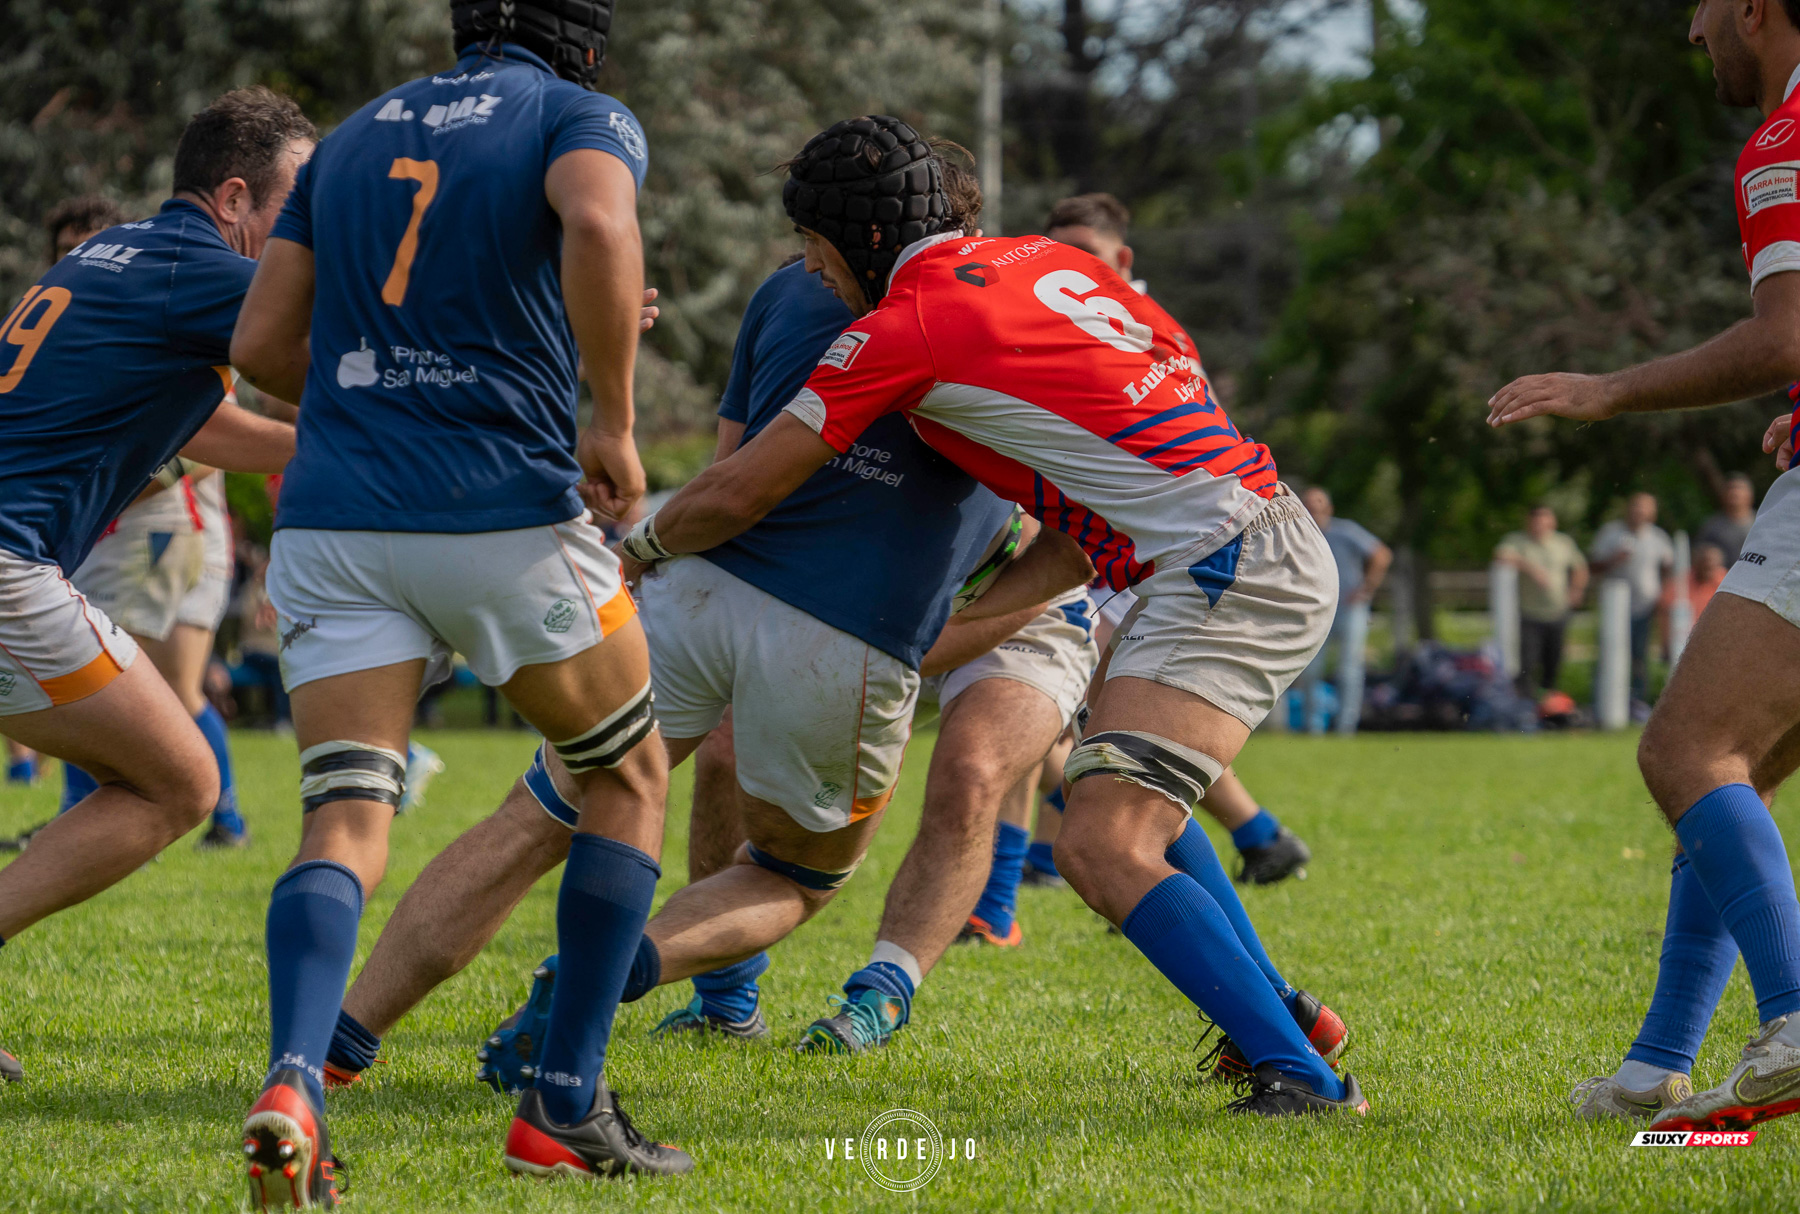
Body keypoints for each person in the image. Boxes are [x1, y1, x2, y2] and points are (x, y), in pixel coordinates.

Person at [618, 115, 1367, 1116]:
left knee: (1104, 840)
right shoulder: (1045, 263)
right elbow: (1091, 508)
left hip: (1222, 564)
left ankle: (1304, 1077)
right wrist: (959, 624)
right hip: (1230, 535)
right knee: (1133, 803)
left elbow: (738, 489)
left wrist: (626, 550)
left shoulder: (902, 329)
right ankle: (1277, 1016)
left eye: (814, 254)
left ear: (849, 247)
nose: (811, 276)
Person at [226, 2, 687, 1195]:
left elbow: (266, 345)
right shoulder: (576, 113)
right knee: (626, 772)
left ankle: (294, 1076)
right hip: (500, 513)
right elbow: (596, 215)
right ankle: (564, 1104)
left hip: (332, 518)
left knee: (344, 815)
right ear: (575, 32)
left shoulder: (350, 136)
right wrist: (614, 415)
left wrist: (396, 361)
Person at [1488, 0, 1800, 1131]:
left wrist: (1607, 387)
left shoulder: (1783, 140)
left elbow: (1783, 336)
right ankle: (1657, 1065)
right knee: (1739, 771)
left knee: (1686, 747)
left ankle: (1797, 1015)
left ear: (1758, 9)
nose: (1692, 31)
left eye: (1706, 6)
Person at [0, 86, 307, 1085]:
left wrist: (315, 444)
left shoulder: (116, 255)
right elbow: (332, 361)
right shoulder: (208, 273)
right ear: (234, 197)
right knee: (182, 780)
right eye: (297, 205)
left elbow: (200, 423)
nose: (309, 230)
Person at [1047, 196, 1314, 884]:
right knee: (1103, 729)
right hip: (1118, 552)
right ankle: (1242, 841)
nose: (1072, 265)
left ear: (1124, 261)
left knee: (1105, 727)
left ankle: (1058, 870)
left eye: (1088, 252)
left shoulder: (1134, 324)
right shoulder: (1072, 317)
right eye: (1061, 251)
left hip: (1154, 555)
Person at [1296, 487, 1390, 735]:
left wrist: (1366, 589)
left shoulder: (1345, 531)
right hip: (1315, 610)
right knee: (1310, 670)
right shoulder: (1299, 534)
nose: (1314, 512)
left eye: (1318, 507)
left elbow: (1381, 554)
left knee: (1349, 669)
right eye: (1309, 507)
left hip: (1349, 608)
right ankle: (1312, 728)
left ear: (1329, 509)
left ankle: (1346, 727)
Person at [1590, 492, 1674, 716]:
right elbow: (1593, 566)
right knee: (1609, 653)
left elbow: (1668, 569)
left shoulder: (1658, 537)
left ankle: (1636, 704)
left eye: (1645, 508)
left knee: (1639, 656)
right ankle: (1604, 701)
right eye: (1636, 506)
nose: (1640, 512)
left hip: (1645, 607)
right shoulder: (1610, 533)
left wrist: (1663, 598)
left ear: (1652, 512)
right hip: (1614, 609)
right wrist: (1614, 559)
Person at [1494, 504, 1589, 698]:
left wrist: (1576, 590)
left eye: (1544, 521)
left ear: (1552, 522)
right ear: (1529, 523)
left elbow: (1580, 567)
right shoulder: (1517, 541)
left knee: (1553, 662)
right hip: (1529, 613)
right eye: (1535, 521)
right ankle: (1525, 703)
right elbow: (1501, 556)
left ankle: (1547, 705)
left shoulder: (1563, 543)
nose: (1540, 526)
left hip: (1558, 612)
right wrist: (1532, 569)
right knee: (1526, 662)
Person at [1697, 471, 1758, 560]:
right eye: (1730, 488)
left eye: (1739, 488)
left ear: (1750, 495)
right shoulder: (1712, 526)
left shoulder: (1760, 523)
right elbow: (1697, 553)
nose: (1734, 493)